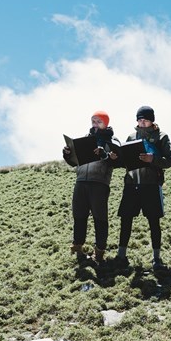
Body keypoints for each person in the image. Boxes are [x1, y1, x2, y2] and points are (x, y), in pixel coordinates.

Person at [114, 106, 171, 271]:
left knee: (154, 221)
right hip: (131, 184)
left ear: (152, 120)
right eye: (139, 119)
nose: (142, 122)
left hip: (151, 184)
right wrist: (117, 157)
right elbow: (125, 160)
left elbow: (170, 161)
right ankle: (121, 256)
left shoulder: (162, 137)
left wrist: (152, 159)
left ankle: (157, 259)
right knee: (125, 219)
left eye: (145, 119)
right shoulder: (131, 137)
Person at [63, 110, 117, 266]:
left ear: (106, 123)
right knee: (79, 216)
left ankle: (99, 253)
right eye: (93, 121)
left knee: (100, 219)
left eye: (99, 121)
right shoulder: (84, 139)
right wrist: (68, 154)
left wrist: (104, 154)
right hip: (81, 182)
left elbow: (117, 160)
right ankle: (77, 249)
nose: (95, 124)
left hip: (99, 183)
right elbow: (74, 162)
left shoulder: (113, 141)